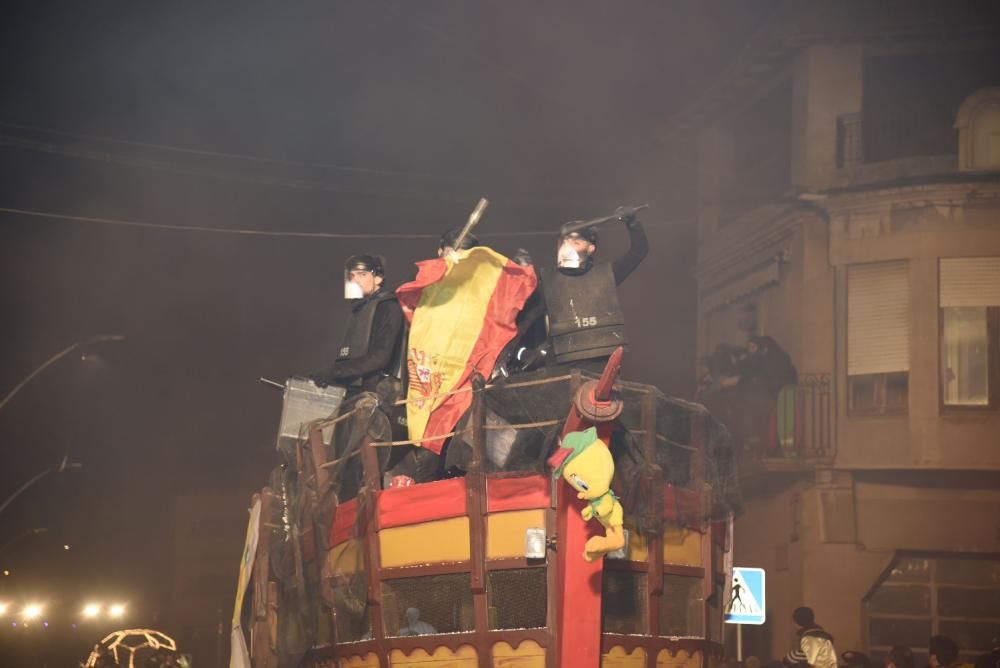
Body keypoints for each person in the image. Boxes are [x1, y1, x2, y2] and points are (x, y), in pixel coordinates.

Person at [534, 207, 648, 371]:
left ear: (591, 248)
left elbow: (639, 251)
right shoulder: (547, 282)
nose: (567, 246)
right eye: (564, 241)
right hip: (558, 368)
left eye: (576, 241)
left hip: (599, 366)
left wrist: (633, 223)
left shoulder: (606, 276)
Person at [311, 254, 404, 394]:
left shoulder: (388, 307)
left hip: (375, 393)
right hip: (353, 389)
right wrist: (330, 375)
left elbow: (380, 357)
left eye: (362, 275)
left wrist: (336, 371)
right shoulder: (359, 308)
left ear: (378, 278)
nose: (355, 281)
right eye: (351, 276)